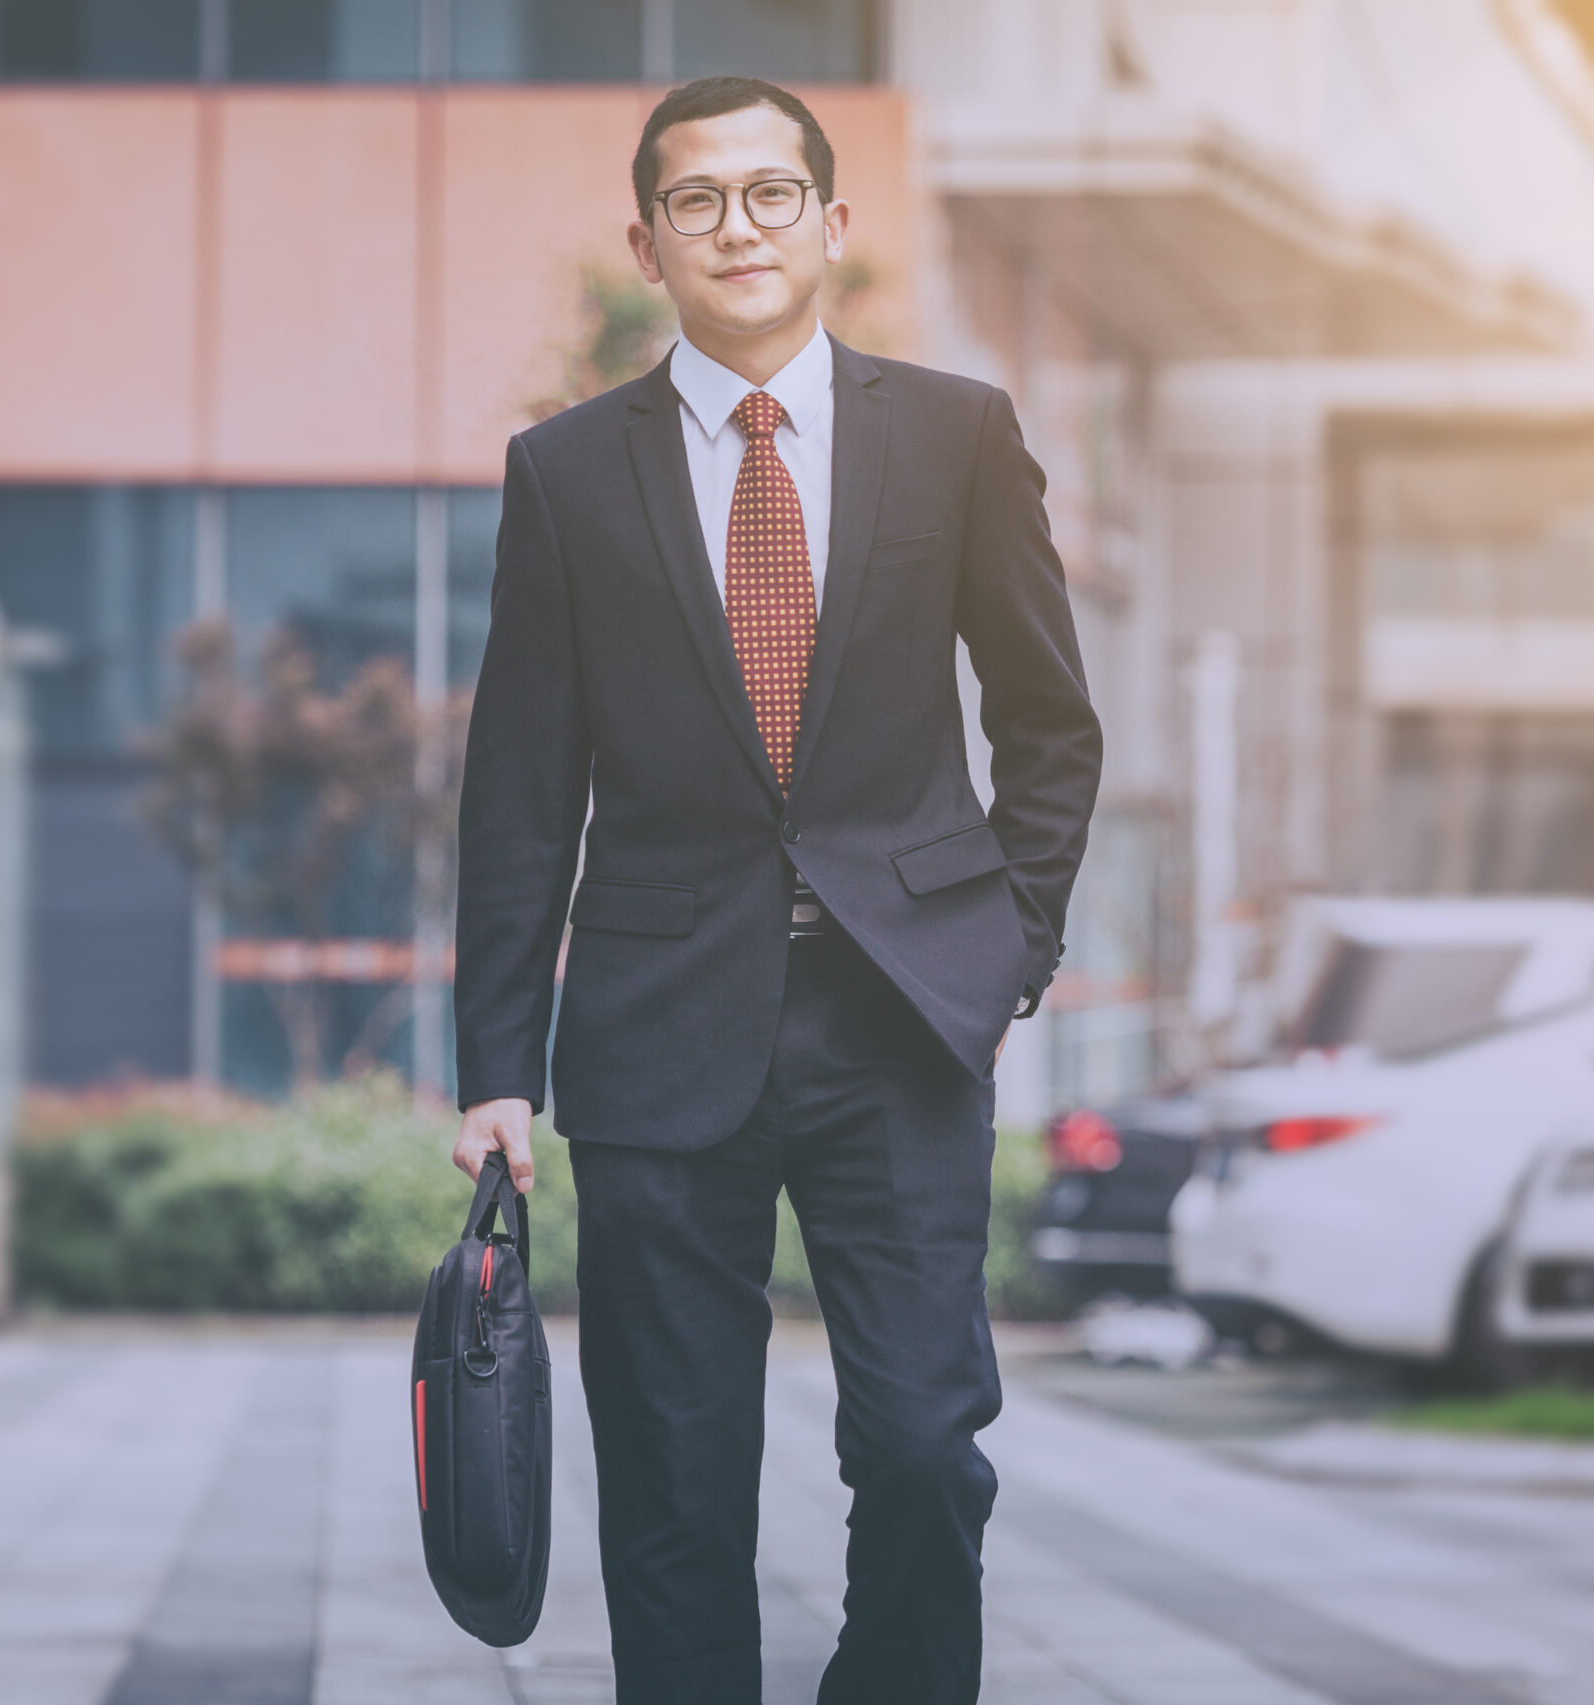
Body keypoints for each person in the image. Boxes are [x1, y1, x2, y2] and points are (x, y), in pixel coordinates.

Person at [450, 74, 1101, 1705]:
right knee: (674, 1483)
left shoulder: (953, 436)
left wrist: (1005, 953)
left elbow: (1048, 722)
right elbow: (521, 794)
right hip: (664, 1031)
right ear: (648, 240)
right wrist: (494, 1073)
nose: (735, 226)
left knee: (929, 1447)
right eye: (696, 201)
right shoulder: (568, 474)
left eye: (767, 194)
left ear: (829, 222)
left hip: (901, 1017)